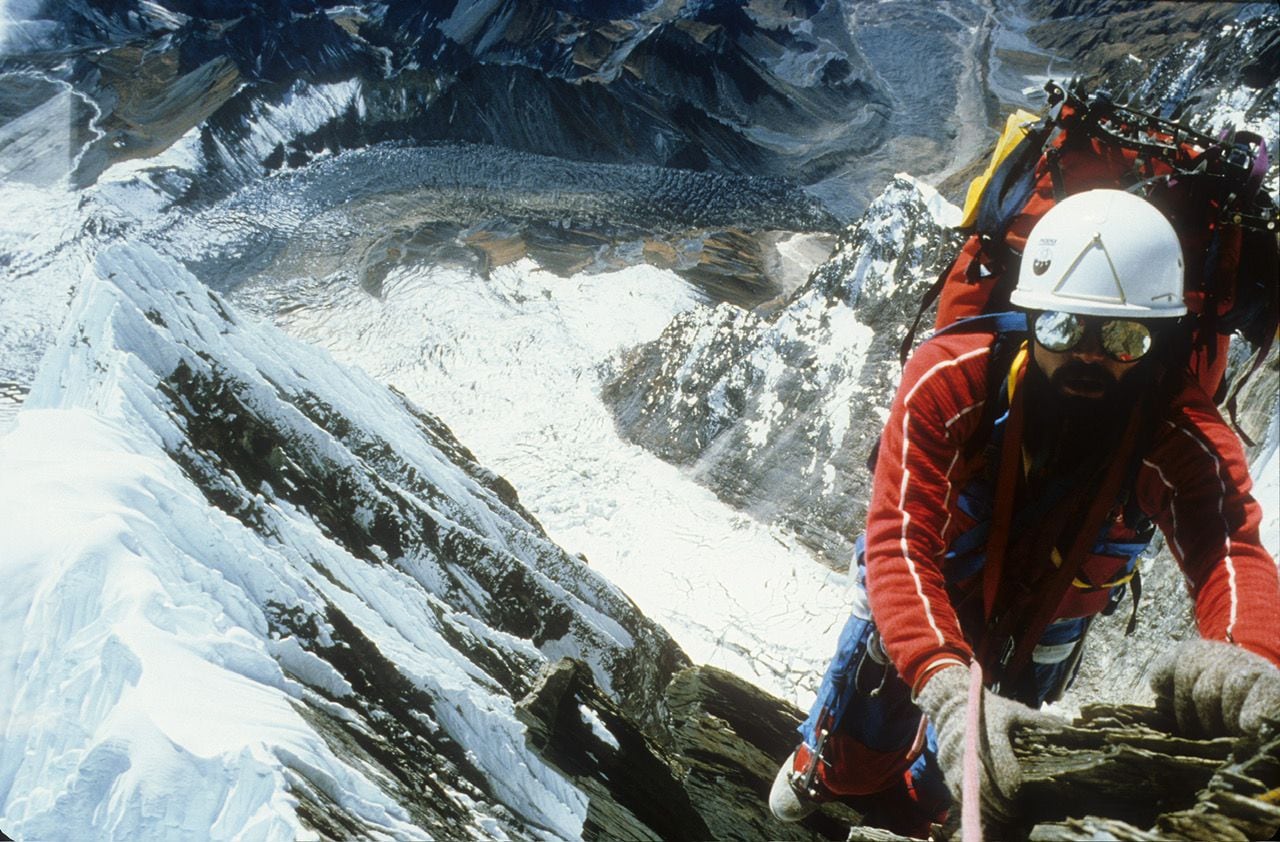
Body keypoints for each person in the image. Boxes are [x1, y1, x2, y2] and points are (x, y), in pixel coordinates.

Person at [768, 189, 1280, 836]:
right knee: (883, 660)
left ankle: (922, 802)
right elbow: (900, 541)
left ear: (1160, 340)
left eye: (1124, 338)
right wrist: (943, 681)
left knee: (1001, 723)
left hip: (1062, 583)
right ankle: (839, 764)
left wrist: (1248, 673)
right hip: (960, 549)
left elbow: (1228, 552)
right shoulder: (950, 377)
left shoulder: (1177, 429)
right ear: (1028, 314)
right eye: (1064, 328)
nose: (1089, 356)